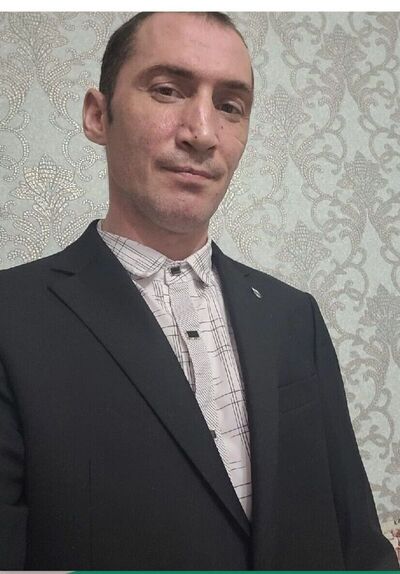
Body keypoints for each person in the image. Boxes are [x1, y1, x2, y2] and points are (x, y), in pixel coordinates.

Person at [0, 11, 398, 571]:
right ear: (98, 115)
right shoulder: (12, 316)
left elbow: (357, 541)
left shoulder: (294, 316)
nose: (203, 133)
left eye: (230, 106)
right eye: (167, 90)